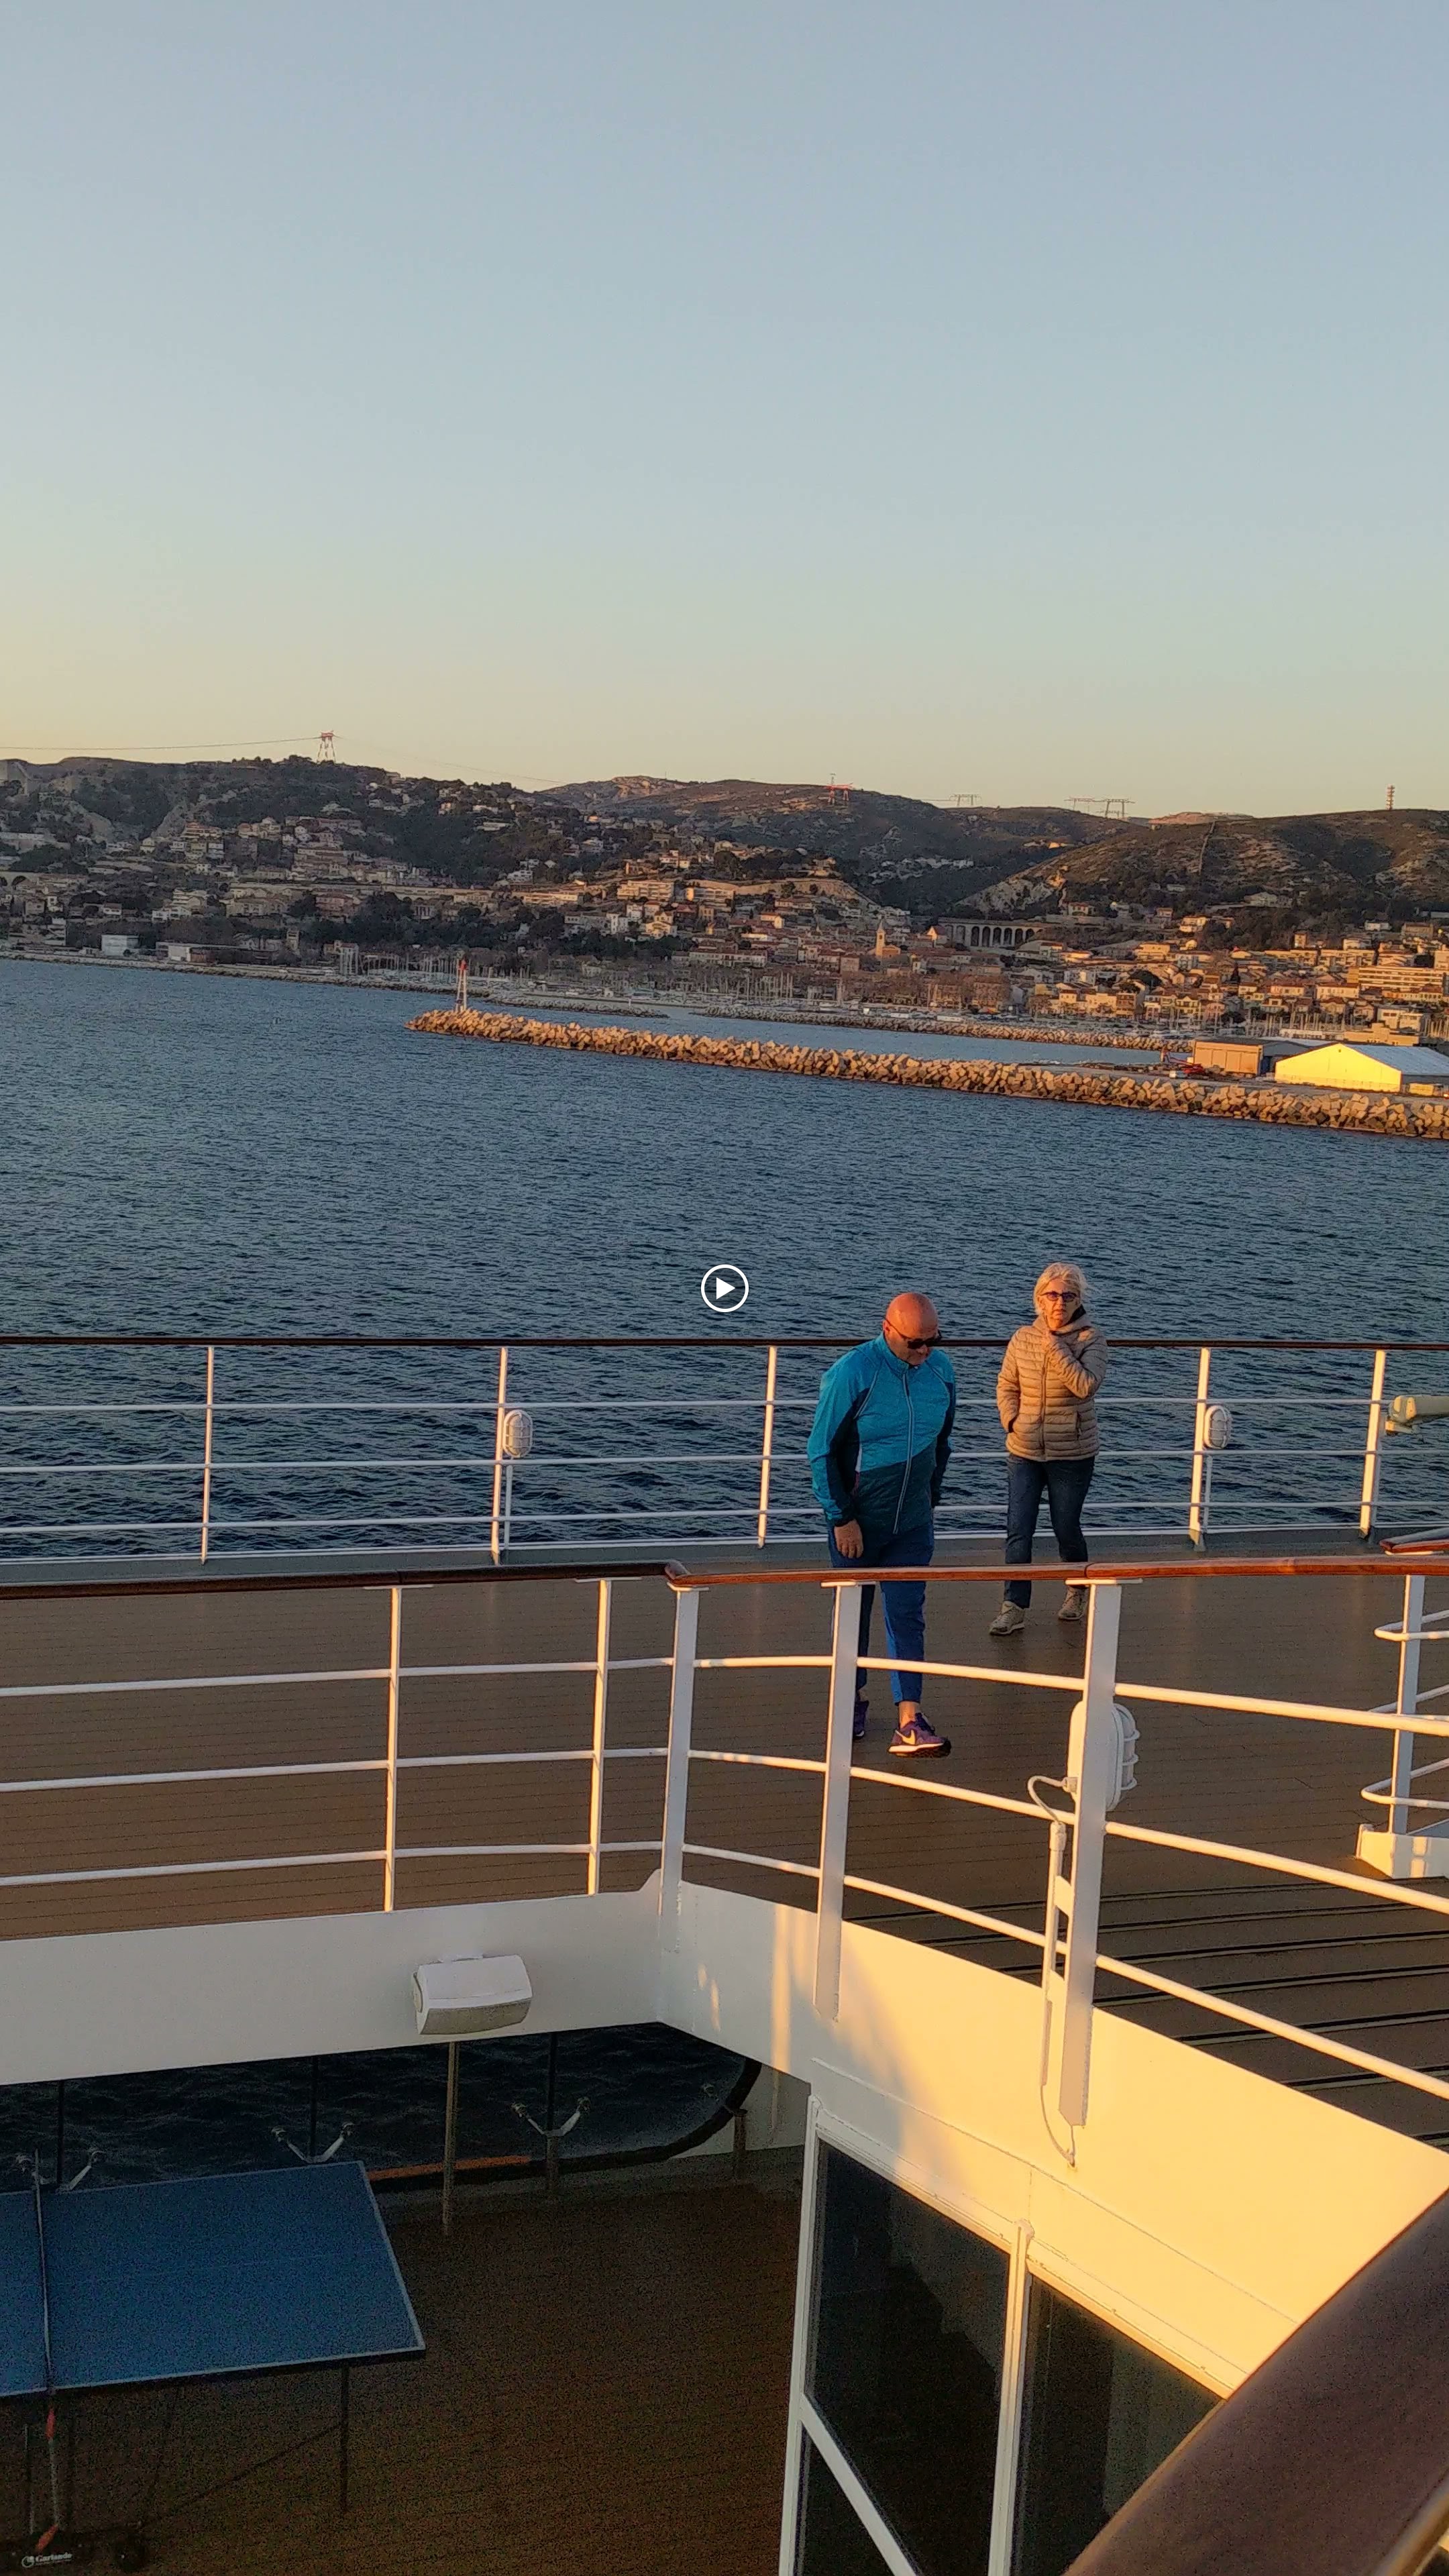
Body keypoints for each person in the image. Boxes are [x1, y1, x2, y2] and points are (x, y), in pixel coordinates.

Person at [807, 1293, 956, 1758]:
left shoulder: (941, 1371)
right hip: (859, 1522)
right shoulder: (853, 1373)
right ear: (887, 1329)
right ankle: (850, 1699)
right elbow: (821, 1451)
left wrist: (930, 1498)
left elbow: (943, 1442)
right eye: (915, 1343)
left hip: (912, 1521)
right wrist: (841, 1517)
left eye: (933, 1341)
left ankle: (909, 1720)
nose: (925, 1351)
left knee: (907, 1614)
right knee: (854, 1613)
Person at [989, 1263, 1107, 1638]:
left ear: (1078, 1300)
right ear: (1039, 1299)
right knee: (1018, 1529)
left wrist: (1055, 1346)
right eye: (1052, 1295)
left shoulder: (1091, 1339)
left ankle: (1077, 1588)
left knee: (1065, 1526)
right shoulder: (1022, 1338)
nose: (1059, 1302)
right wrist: (1012, 1421)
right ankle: (1014, 1606)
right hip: (1024, 1449)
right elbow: (1007, 1384)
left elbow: (1085, 1386)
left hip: (1072, 1453)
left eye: (1068, 1296)